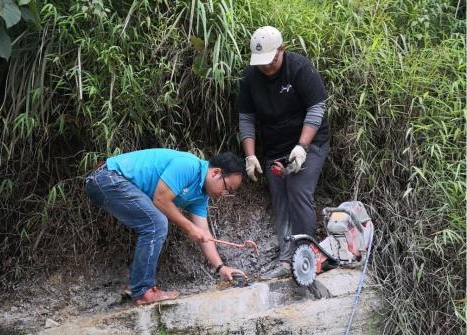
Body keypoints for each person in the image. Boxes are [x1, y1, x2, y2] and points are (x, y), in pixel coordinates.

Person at [85, 149, 246, 305]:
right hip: (106, 177)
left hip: (110, 182)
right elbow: (161, 200)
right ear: (216, 173)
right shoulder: (189, 165)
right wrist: (190, 227)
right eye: (227, 188)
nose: (224, 194)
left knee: (153, 223)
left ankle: (136, 285)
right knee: (156, 222)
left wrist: (221, 268)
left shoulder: (200, 196)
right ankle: (142, 291)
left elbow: (204, 235)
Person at [238, 26, 330, 279]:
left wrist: (302, 147)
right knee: (280, 196)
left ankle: (307, 254)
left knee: (298, 189)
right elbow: (246, 118)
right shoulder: (250, 78)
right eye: (261, 63)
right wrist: (250, 155)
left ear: (282, 50)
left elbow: (316, 108)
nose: (266, 68)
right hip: (275, 147)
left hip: (310, 142)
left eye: (271, 61)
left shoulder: (299, 68)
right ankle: (286, 260)